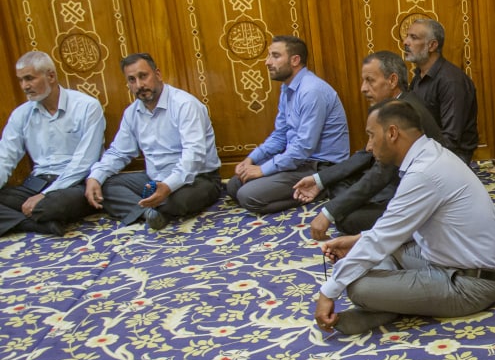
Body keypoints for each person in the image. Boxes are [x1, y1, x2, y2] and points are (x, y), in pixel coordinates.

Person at [315, 99, 495, 335]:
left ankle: (393, 305)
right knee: (373, 258)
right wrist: (356, 241)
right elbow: (394, 230)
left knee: (358, 287)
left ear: (392, 133)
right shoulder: (431, 155)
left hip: (468, 286)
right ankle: (399, 302)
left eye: (371, 135)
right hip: (452, 261)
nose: (369, 146)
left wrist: (327, 293)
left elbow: (382, 238)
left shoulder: (424, 173)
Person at [293, 50, 442, 240]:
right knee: (340, 187)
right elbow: (366, 154)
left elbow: (381, 173)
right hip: (399, 183)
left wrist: (329, 213)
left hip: (418, 198)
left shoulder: (403, 113)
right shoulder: (397, 105)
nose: (363, 88)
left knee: (346, 218)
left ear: (392, 80)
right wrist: (319, 180)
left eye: (370, 81)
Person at [84, 53, 221, 231]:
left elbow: (193, 157)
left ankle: (148, 208)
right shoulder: (132, 113)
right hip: (154, 179)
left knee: (177, 200)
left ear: (158, 74)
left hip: (197, 179)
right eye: (132, 80)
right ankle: (149, 212)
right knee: (106, 185)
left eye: (143, 76)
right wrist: (95, 177)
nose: (139, 85)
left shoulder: (184, 105)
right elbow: (119, 152)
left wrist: (168, 186)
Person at [226, 35, 349, 214]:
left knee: (247, 196)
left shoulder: (311, 91)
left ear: (295, 60)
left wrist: (262, 170)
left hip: (319, 166)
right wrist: (251, 159)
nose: (267, 62)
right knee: (234, 185)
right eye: (269, 56)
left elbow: (304, 148)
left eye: (275, 56)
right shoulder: (287, 88)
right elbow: (280, 135)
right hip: (299, 161)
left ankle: (322, 188)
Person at [0, 50, 104, 236]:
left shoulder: (87, 107)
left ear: (51, 76)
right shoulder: (21, 114)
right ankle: (36, 224)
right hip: (37, 183)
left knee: (53, 205)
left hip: (73, 184)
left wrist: (46, 194)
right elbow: (4, 157)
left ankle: (29, 218)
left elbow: (84, 163)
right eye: (21, 80)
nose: (24, 86)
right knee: (34, 204)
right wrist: (40, 194)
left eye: (29, 78)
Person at [404, 17, 479, 164]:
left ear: (432, 45)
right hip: (426, 149)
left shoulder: (451, 81)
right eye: (407, 36)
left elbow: (450, 140)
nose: (406, 42)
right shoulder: (419, 76)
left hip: (451, 157)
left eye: (413, 37)